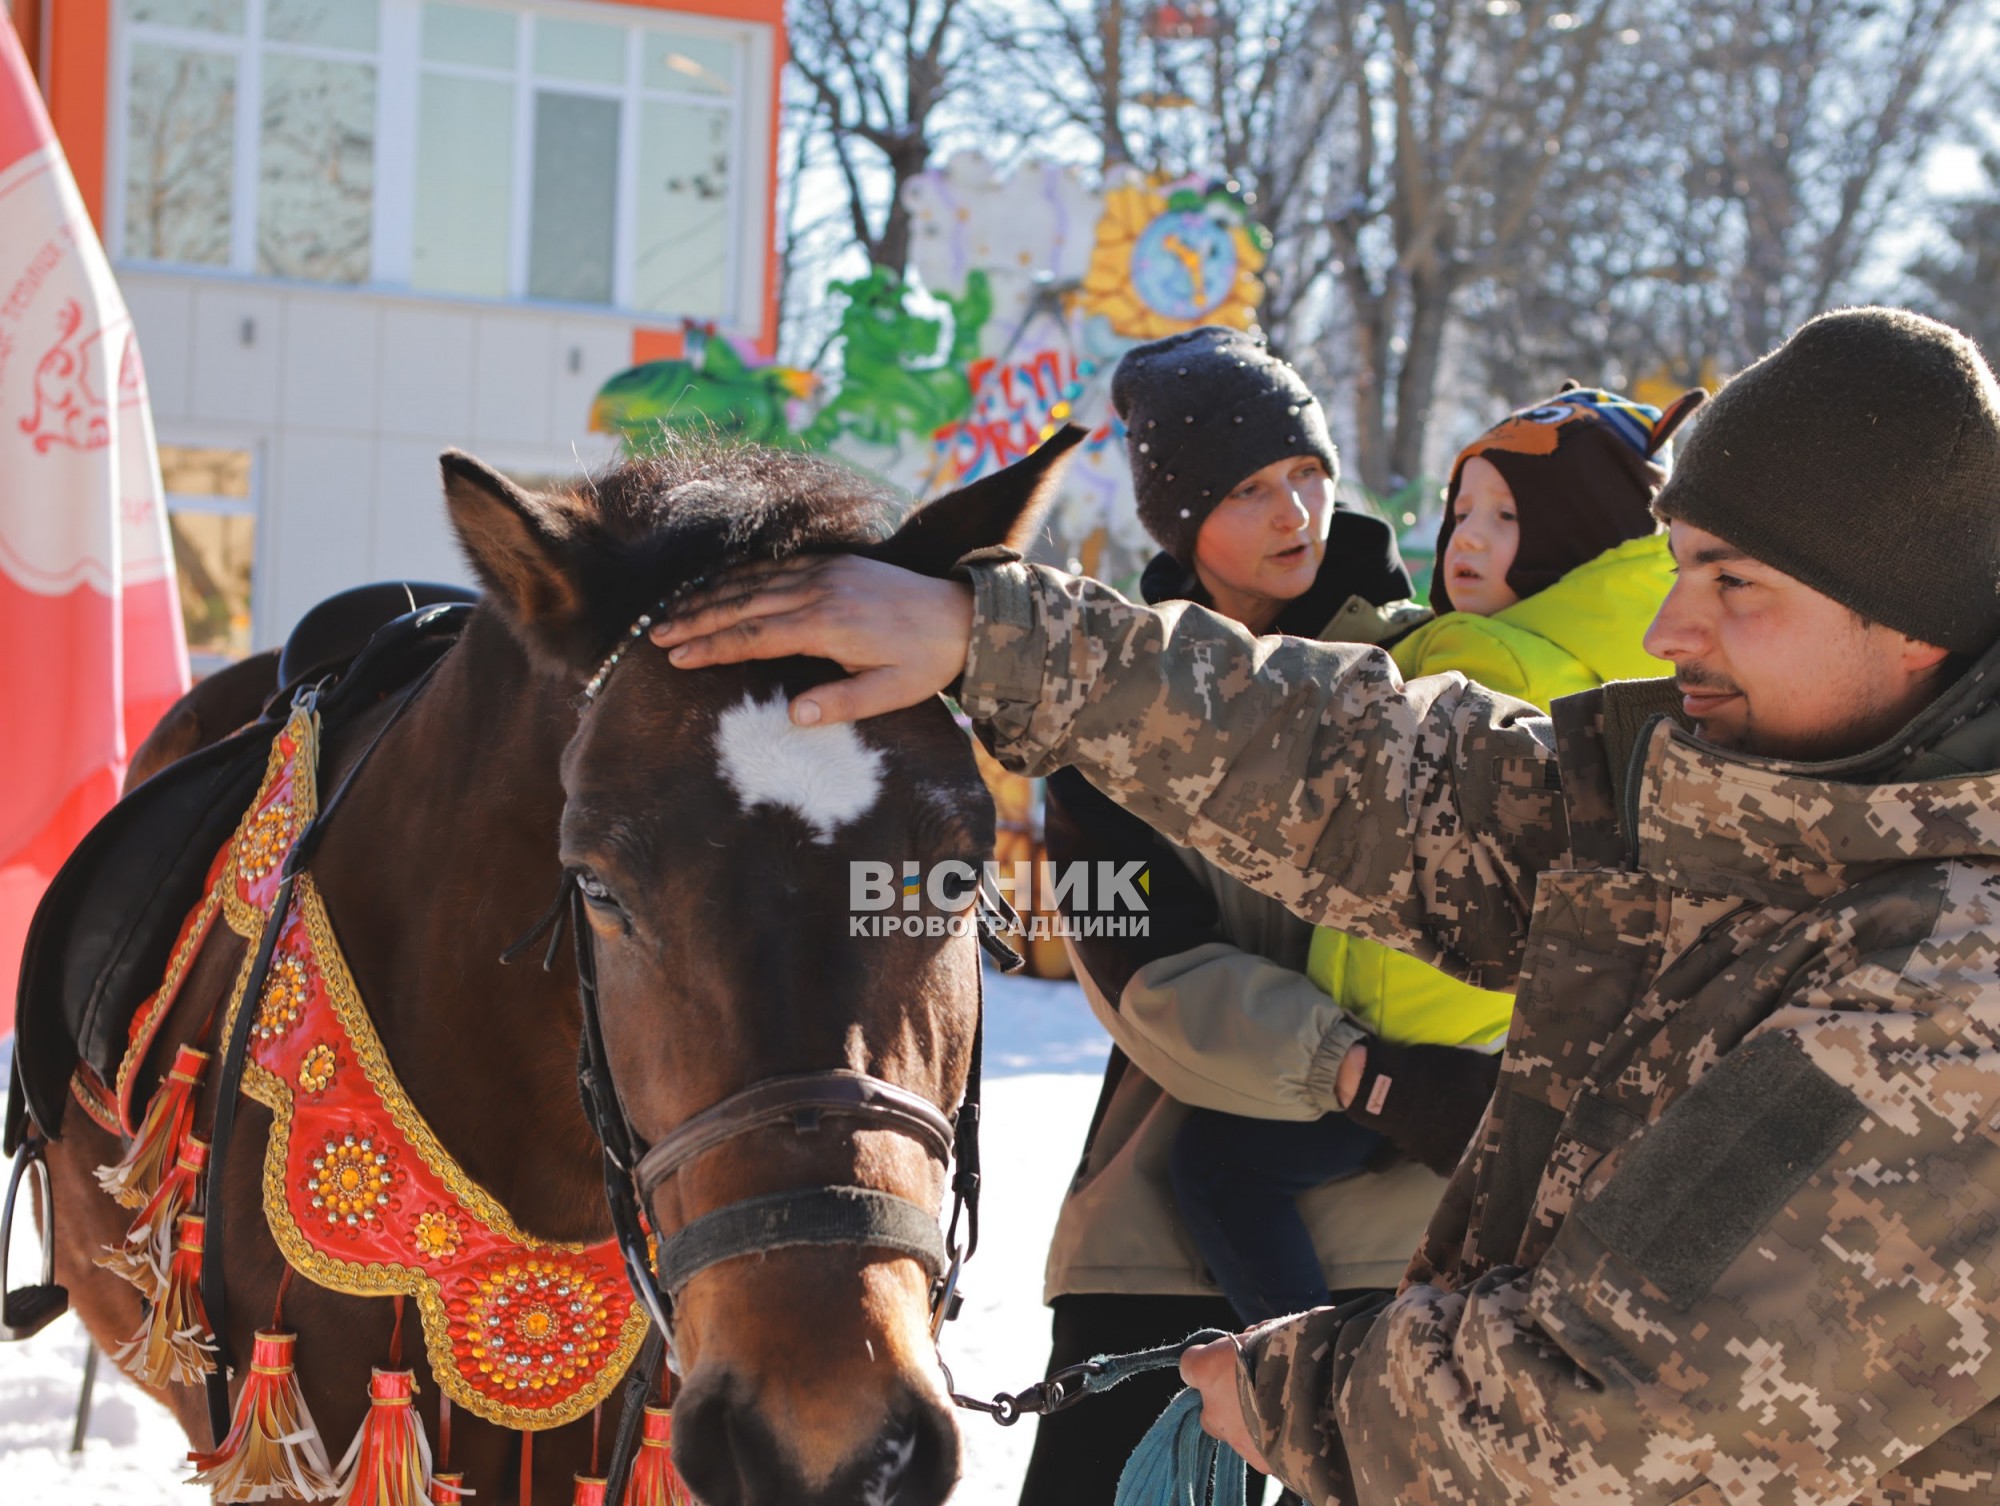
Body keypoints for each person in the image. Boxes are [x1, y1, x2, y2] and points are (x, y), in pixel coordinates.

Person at [649, 306, 2000, 1504]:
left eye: (1733, 584)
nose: (1666, 631)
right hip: (1211, 1243)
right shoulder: (1767, 795)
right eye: (1677, 564)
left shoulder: (1939, 997)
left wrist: (1293, 1391)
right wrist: (993, 635)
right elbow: (1397, 781)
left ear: (1903, 616)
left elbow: (1609, 1424)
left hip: (1398, 1345)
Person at [1020, 327, 1459, 1504]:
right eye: (1250, 487)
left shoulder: (1430, 671)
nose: (1295, 509)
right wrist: (1355, 1073)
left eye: (1307, 472)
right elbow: (1142, 972)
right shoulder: (1106, 710)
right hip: (1165, 1213)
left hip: (1406, 1205)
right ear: (1176, 519)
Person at [1177, 381, 1704, 1337]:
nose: (1465, 538)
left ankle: (1302, 1361)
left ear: (1577, 532)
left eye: (1507, 518)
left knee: (1216, 1170)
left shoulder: (1478, 659)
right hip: (1531, 1042)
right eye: (1462, 511)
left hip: (1416, 1026)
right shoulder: (1647, 660)